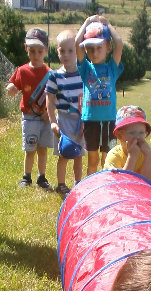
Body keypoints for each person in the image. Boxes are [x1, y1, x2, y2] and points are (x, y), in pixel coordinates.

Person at [6, 28, 54, 190]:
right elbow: (14, 84)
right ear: (26, 48)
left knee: (42, 149)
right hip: (29, 117)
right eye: (32, 51)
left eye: (40, 51)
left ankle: (42, 177)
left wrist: (50, 112)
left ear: (46, 50)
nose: (36, 55)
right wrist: (11, 88)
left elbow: (55, 96)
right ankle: (26, 177)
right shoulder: (22, 70)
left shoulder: (50, 74)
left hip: (45, 118)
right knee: (30, 148)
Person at [75, 15, 123, 175]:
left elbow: (119, 43)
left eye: (98, 48)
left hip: (109, 121)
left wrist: (107, 24)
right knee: (93, 160)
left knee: (107, 159)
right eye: (90, 48)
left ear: (107, 47)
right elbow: (76, 43)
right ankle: (93, 186)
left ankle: (107, 185)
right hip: (90, 121)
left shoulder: (112, 68)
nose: (94, 53)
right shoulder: (85, 69)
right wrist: (86, 22)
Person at [46, 29, 85, 196]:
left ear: (77, 52)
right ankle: (61, 184)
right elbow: (49, 100)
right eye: (62, 51)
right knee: (64, 153)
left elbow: (87, 98)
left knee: (79, 154)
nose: (66, 55)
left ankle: (78, 183)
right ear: (57, 52)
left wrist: (85, 121)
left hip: (80, 120)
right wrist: (52, 122)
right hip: (64, 120)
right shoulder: (54, 76)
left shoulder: (83, 74)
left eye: (70, 51)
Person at [104, 105, 151, 181]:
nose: (137, 137)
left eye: (141, 133)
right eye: (132, 133)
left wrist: (149, 155)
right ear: (120, 135)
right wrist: (132, 157)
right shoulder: (114, 156)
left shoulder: (144, 154)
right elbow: (122, 183)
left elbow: (148, 181)